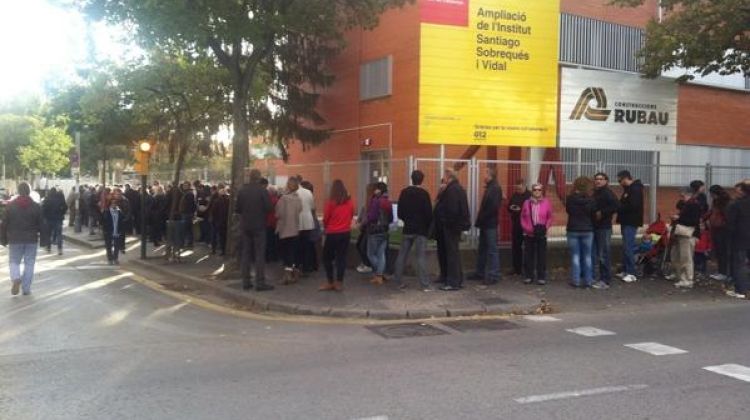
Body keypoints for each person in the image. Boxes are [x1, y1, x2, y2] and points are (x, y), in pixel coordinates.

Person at [394, 170, 433, 291]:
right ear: (422, 180)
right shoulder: (424, 194)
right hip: (421, 230)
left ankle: (398, 282)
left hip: (408, 228)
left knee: (402, 255)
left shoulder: (404, 192)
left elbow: (400, 213)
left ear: (412, 179)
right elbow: (428, 214)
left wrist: (407, 220)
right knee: (421, 257)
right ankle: (425, 285)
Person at [1, 182, 43, 296]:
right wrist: (44, 238)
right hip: (31, 239)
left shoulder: (10, 206)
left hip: (15, 239)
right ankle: (26, 289)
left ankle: (15, 278)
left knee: (14, 261)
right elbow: (41, 224)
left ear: (18, 191)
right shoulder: (36, 206)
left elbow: (4, 223)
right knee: (29, 263)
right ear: (29, 191)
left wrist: (3, 239)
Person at [236, 169, 273, 291]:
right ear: (258, 178)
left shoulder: (242, 190)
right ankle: (260, 282)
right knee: (259, 254)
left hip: (245, 225)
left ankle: (246, 281)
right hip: (259, 226)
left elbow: (238, 209)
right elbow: (269, 208)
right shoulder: (262, 191)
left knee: (246, 254)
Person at [433, 168, 471, 291]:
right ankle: (451, 277)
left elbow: (452, 210)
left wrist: (446, 221)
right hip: (451, 226)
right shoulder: (454, 188)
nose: (443, 179)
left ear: (449, 177)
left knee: (451, 253)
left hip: (451, 226)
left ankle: (453, 281)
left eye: (444, 176)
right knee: (449, 252)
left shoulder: (452, 190)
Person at [470, 167, 503, 285]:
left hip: (490, 224)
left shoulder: (494, 188)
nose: (483, 176)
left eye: (485, 173)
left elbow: (493, 207)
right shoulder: (491, 187)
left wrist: (483, 217)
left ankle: (494, 274)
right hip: (487, 223)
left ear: (490, 175)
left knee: (491, 249)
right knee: (483, 249)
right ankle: (480, 272)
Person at [320, 180, 355, 291]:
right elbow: (351, 215)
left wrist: (326, 227)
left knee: (327, 258)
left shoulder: (331, 202)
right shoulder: (349, 202)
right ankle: (339, 282)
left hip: (332, 233)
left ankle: (330, 281)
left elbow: (326, 218)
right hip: (345, 233)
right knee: (341, 258)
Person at [565, 177, 596, 288]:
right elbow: (593, 213)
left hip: (573, 229)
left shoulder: (570, 199)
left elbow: (568, 211)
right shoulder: (591, 200)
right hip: (587, 229)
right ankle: (588, 280)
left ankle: (576, 280)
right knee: (588, 256)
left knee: (575, 256)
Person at [520, 183, 553, 285]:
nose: (537, 192)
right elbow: (522, 217)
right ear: (532, 191)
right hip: (529, 233)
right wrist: (526, 228)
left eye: (539, 190)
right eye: (535, 190)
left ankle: (541, 276)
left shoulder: (546, 202)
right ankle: (529, 276)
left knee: (541, 256)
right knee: (528, 255)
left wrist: (545, 227)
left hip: (541, 233)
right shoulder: (526, 203)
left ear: (542, 191)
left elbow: (550, 217)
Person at [591, 172, 619, 289]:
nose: (598, 181)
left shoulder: (608, 193)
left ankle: (605, 280)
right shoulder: (595, 193)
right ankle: (601, 278)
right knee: (598, 254)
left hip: (604, 227)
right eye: (596, 179)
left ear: (606, 181)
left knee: (604, 254)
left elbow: (616, 206)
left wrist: (602, 213)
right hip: (595, 226)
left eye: (601, 179)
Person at [616, 170, 644, 283]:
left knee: (628, 246)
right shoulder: (629, 189)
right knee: (626, 246)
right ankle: (626, 269)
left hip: (631, 221)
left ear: (625, 178)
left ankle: (631, 272)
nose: (619, 183)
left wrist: (620, 206)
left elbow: (633, 205)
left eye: (620, 180)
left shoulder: (635, 189)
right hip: (627, 220)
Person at [671, 187, 701, 289]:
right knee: (678, 256)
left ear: (689, 195)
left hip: (688, 234)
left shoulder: (693, 205)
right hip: (684, 233)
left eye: (683, 196)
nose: (682, 198)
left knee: (686, 257)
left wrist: (679, 218)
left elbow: (693, 221)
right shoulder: (688, 204)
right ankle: (681, 277)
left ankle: (688, 279)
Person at [276, 178, 303, 285]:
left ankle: (287, 276)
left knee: (285, 254)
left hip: (284, 229)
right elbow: (300, 210)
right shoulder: (298, 199)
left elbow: (278, 214)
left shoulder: (283, 199)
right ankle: (292, 272)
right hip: (295, 228)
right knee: (291, 253)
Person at [365, 182, 393, 286]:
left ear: (378, 190)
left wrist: (367, 221)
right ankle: (380, 276)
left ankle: (379, 273)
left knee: (371, 254)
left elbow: (372, 216)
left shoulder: (376, 201)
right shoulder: (388, 201)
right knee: (381, 254)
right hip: (384, 230)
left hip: (374, 230)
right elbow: (391, 218)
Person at [726, 182, 750, 299]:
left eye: (737, 190)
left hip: (740, 238)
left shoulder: (736, 205)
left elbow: (730, 224)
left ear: (743, 191)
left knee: (739, 264)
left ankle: (741, 290)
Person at [706, 185, 731, 282]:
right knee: (719, 251)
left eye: (711, 194)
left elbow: (724, 215)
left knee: (722, 251)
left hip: (722, 229)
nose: (711, 196)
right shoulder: (718, 201)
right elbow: (711, 212)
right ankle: (721, 271)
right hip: (717, 228)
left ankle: (723, 272)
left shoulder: (724, 203)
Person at [507, 179, 531, 276]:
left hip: (526, 225)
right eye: (516, 188)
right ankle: (516, 268)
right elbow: (509, 206)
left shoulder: (529, 196)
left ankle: (527, 268)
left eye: (519, 188)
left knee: (528, 248)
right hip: (516, 224)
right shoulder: (515, 195)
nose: (518, 190)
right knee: (516, 246)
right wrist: (511, 208)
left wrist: (521, 210)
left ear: (524, 186)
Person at [295, 178, 317, 275]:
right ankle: (307, 267)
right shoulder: (308, 193)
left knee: (298, 246)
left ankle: (298, 265)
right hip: (308, 221)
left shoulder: (294, 193)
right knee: (307, 245)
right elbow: (313, 208)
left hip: (298, 222)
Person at [355, 183, 375, 274]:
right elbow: (363, 211)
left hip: (369, 228)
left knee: (363, 246)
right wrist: (359, 220)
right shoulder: (367, 201)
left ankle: (368, 265)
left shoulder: (374, 201)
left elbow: (368, 216)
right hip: (365, 228)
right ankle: (365, 263)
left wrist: (361, 223)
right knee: (359, 245)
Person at [41, 187, 68, 255]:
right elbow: (65, 207)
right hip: (58, 219)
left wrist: (44, 217)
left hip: (49, 219)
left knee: (48, 234)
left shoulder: (47, 198)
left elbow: (43, 209)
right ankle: (60, 249)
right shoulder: (60, 198)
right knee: (59, 234)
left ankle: (48, 248)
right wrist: (62, 213)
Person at [102, 194, 126, 265]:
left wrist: (121, 231)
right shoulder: (106, 212)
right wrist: (105, 231)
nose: (114, 205)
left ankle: (115, 258)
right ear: (110, 204)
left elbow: (122, 222)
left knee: (116, 246)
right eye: (112, 203)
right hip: (108, 232)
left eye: (115, 203)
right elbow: (103, 222)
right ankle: (110, 259)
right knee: (108, 246)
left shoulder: (120, 212)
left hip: (117, 232)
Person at [208, 184, 230, 256]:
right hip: (225, 221)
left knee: (214, 236)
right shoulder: (229, 200)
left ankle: (214, 250)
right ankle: (223, 250)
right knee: (223, 237)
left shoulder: (216, 201)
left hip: (217, 221)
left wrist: (212, 219)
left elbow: (213, 211)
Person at [179, 181, 196, 248]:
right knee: (188, 229)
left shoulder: (189, 194)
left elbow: (190, 205)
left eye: (185, 185)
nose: (184, 186)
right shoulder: (187, 193)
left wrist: (187, 211)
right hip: (186, 213)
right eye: (184, 185)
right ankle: (189, 243)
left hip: (187, 213)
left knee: (185, 229)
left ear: (189, 186)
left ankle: (187, 243)